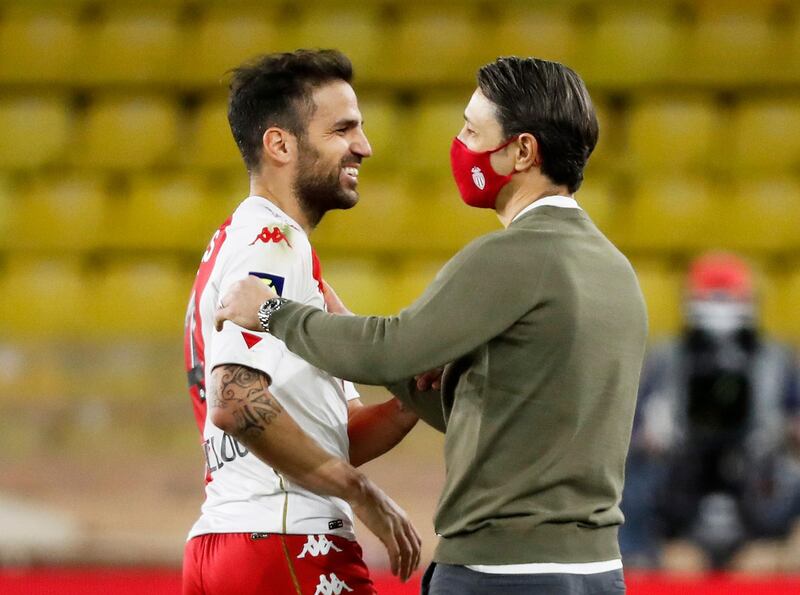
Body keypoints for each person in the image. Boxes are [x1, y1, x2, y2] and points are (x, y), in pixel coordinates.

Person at [215, 56, 648, 594]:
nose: (459, 142)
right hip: (597, 571)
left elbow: (392, 349)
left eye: (472, 129)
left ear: (521, 151)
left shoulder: (512, 257)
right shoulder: (615, 270)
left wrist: (273, 312)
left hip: (501, 572)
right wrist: (410, 379)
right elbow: (498, 415)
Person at [182, 49, 422, 595]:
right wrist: (362, 493)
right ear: (280, 144)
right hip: (288, 541)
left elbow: (334, 435)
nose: (364, 146)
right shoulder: (273, 243)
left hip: (230, 543)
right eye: (343, 129)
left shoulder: (242, 246)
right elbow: (236, 401)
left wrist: (413, 401)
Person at [620, 252, 800, 570]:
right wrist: (650, 434)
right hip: (680, 496)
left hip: (758, 494)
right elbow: (629, 442)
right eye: (710, 300)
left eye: (729, 300)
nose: (720, 312)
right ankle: (645, 553)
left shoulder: (776, 360)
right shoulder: (666, 360)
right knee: (632, 475)